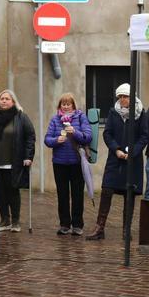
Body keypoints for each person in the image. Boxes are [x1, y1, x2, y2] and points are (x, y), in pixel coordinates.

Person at [86, 84, 147, 240]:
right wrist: (116, 149)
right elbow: (107, 134)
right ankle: (99, 228)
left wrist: (133, 151)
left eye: (125, 97)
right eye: (120, 97)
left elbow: (144, 136)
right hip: (115, 158)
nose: (122, 100)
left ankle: (126, 230)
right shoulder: (113, 113)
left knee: (130, 194)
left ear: (131, 97)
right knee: (107, 190)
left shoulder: (141, 114)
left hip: (133, 160)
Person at [0, 90, 34, 232]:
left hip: (13, 161)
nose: (3, 101)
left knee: (13, 191)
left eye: (7, 99)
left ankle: (15, 221)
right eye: (1, 98)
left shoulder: (21, 117)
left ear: (13, 101)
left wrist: (28, 156)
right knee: (0, 192)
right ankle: (4, 220)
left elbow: (30, 137)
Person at [44, 93, 92, 235]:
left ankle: (77, 225)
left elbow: (88, 136)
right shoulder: (55, 120)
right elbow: (47, 139)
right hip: (59, 162)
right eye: (63, 104)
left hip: (77, 162)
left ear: (73, 105)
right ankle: (64, 224)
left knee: (77, 194)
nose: (65, 106)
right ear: (60, 106)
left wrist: (75, 132)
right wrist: (56, 140)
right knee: (62, 194)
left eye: (68, 104)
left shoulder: (80, 117)